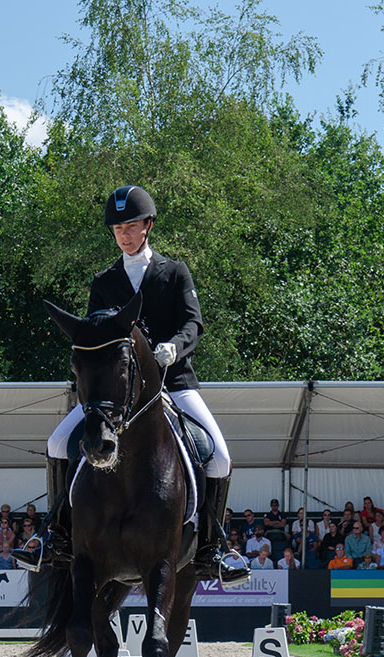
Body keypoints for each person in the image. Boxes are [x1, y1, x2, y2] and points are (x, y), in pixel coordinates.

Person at [15, 184, 246, 585]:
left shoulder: (174, 272)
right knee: (56, 442)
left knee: (220, 455)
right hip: (115, 394)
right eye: (117, 227)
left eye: (131, 225)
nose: (123, 233)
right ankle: (57, 536)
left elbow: (195, 322)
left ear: (148, 226)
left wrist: (174, 347)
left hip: (173, 384)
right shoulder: (104, 281)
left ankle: (213, 548)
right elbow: (90, 335)